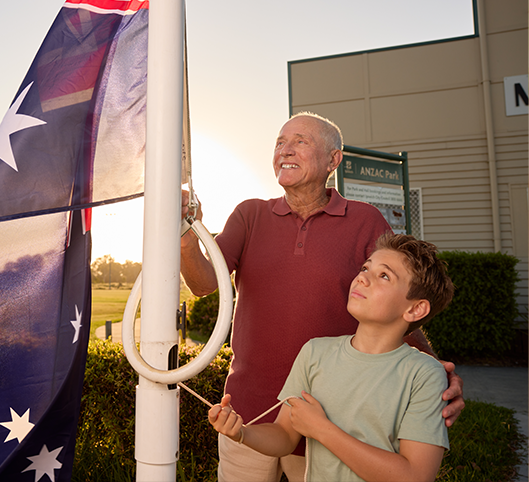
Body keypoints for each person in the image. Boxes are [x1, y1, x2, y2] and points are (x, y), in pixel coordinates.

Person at [180, 111, 464, 482]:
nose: (285, 148)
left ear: (334, 160)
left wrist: (434, 374)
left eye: (301, 140)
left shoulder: (366, 221)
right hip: (247, 410)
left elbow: (395, 299)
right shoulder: (249, 215)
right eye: (280, 141)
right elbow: (203, 284)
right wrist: (185, 232)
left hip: (332, 417)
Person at [208, 233, 455, 482]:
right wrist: (241, 433)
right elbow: (284, 435)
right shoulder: (315, 353)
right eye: (365, 267)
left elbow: (415, 476)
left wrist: (322, 430)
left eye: (384, 275)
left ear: (415, 309)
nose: (362, 278)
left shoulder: (424, 375)